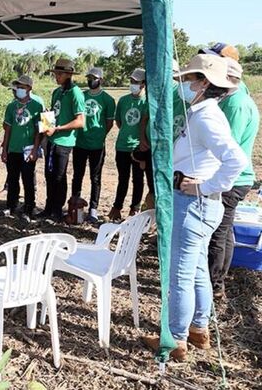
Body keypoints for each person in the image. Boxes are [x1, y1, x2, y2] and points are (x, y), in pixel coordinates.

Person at [143, 54, 247, 360]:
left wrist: (204, 186)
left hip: (193, 203)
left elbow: (236, 161)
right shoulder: (202, 112)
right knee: (198, 269)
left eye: (188, 79)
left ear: (203, 83)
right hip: (197, 204)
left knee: (181, 275)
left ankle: (176, 339)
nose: (184, 84)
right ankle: (198, 330)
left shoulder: (204, 117)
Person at [207, 58, 260, 299]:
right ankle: (219, 279)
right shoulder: (233, 100)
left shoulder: (237, 105)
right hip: (235, 177)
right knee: (225, 230)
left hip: (233, 179)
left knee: (218, 231)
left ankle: (213, 284)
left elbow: (230, 148)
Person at [38, 58, 85, 221]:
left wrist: (58, 128)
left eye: (60, 74)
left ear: (69, 74)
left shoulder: (76, 93)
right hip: (51, 140)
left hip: (64, 142)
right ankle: (48, 207)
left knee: (59, 176)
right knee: (49, 175)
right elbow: (54, 114)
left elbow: (80, 121)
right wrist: (46, 123)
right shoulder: (57, 92)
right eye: (55, 73)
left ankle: (58, 210)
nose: (56, 76)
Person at [71, 67, 115, 223]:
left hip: (97, 145)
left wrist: (100, 135)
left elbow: (109, 123)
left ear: (101, 80)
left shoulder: (108, 100)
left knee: (95, 178)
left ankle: (93, 209)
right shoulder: (81, 96)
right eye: (89, 77)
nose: (91, 80)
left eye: (94, 78)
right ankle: (74, 204)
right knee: (77, 175)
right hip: (80, 143)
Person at [0, 75, 43, 222]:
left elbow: (39, 131)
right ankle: (11, 206)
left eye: (22, 87)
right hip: (13, 148)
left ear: (29, 89)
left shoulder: (37, 106)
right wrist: (5, 149)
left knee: (28, 180)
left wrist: (35, 150)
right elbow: (8, 130)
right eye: (18, 87)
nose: (19, 90)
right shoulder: (11, 106)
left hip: (28, 150)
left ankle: (29, 208)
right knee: (12, 179)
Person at [108, 68, 148, 221]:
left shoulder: (146, 102)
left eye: (136, 82)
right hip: (122, 146)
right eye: (131, 82)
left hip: (138, 147)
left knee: (138, 179)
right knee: (122, 179)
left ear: (143, 84)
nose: (133, 85)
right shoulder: (124, 101)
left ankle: (134, 208)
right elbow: (119, 121)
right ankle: (117, 207)